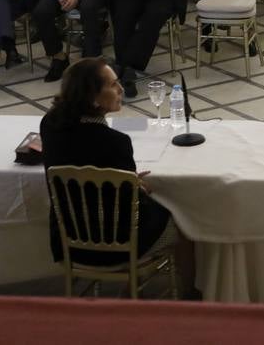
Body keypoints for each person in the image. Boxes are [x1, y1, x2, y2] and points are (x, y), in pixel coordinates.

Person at [39, 58, 195, 296]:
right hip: (117, 245)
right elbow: (129, 203)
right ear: (92, 97)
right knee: (185, 221)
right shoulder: (115, 143)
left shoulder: (49, 124)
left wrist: (124, 179)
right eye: (113, 85)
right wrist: (136, 186)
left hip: (67, 238)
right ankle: (190, 295)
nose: (121, 89)